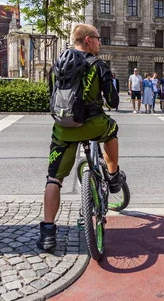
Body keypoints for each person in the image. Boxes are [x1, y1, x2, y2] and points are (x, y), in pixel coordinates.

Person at [38, 24, 126, 251]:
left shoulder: (57, 65)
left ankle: (48, 233)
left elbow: (51, 97)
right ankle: (114, 176)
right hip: (93, 126)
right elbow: (113, 102)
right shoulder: (98, 65)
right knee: (112, 131)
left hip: (64, 128)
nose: (100, 42)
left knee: (53, 180)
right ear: (88, 40)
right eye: (98, 38)